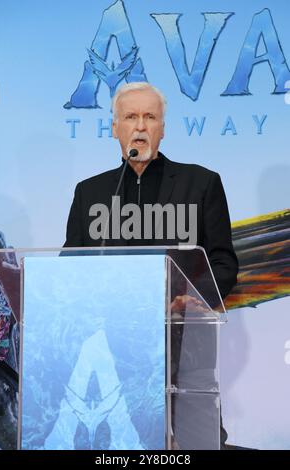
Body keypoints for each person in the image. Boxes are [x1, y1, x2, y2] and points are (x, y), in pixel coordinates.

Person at [64, 82, 238, 449]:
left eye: (150, 117)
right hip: (112, 353)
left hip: (186, 348)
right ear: (115, 128)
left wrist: (190, 300)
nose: (140, 126)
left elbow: (223, 262)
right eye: (130, 117)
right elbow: (70, 269)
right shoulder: (90, 194)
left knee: (195, 442)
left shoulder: (201, 184)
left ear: (162, 128)